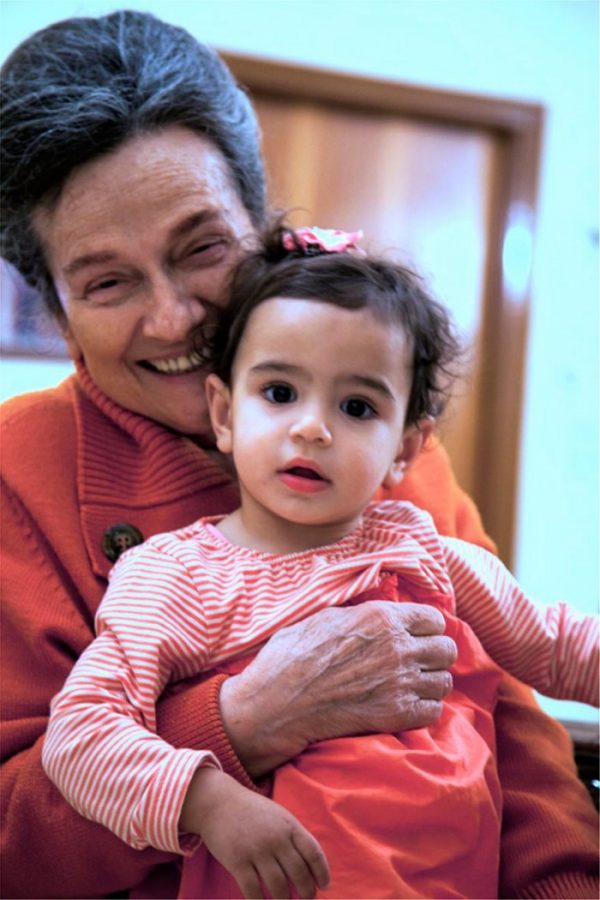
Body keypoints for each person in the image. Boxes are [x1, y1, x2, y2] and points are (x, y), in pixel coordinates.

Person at [0, 10, 597, 900]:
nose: (174, 318)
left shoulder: (379, 456)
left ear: (263, 226)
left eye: (203, 248)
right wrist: (239, 721)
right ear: (55, 310)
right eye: (108, 282)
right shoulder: (21, 477)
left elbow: (509, 716)